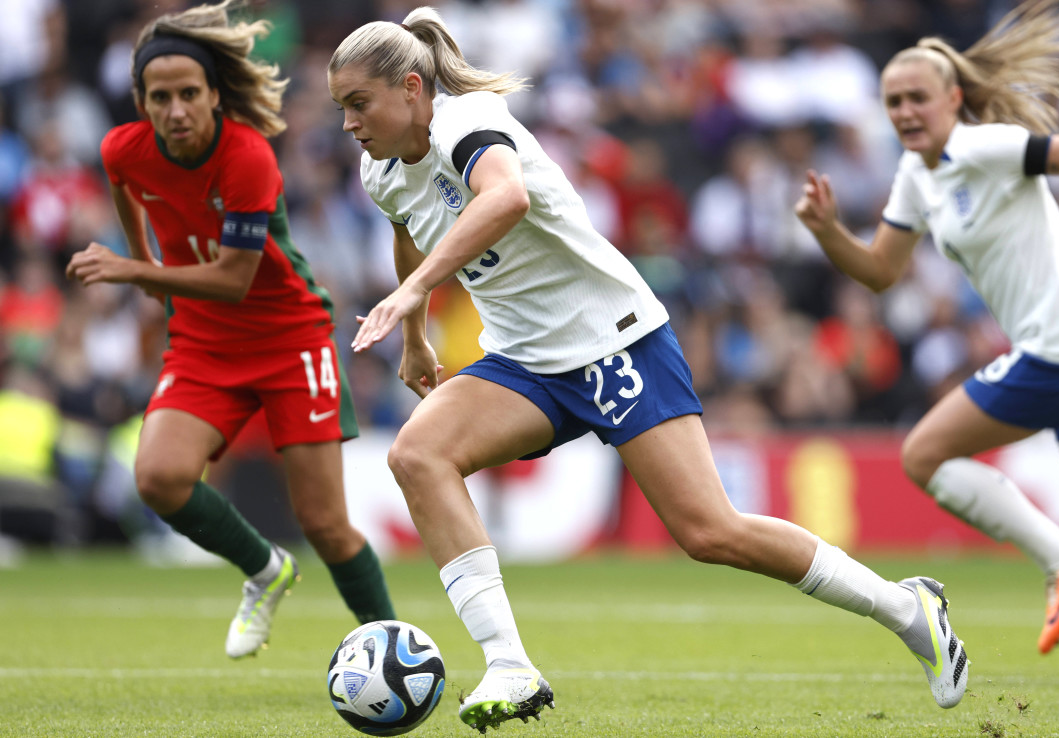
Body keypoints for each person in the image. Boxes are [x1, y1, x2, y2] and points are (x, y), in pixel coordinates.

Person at [327, 7, 970, 732]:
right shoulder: (379, 169)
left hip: (614, 342)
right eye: (341, 107)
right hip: (526, 361)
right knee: (418, 453)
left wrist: (413, 293)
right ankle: (509, 661)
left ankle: (904, 607)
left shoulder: (467, 119)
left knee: (709, 533)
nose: (349, 122)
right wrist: (415, 333)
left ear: (412, 89)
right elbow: (409, 234)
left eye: (359, 103)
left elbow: (504, 198)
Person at [795, 0, 1059, 657]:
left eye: (917, 98)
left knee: (923, 455)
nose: (903, 112)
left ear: (954, 97)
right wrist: (827, 231)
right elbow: (878, 271)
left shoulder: (982, 146)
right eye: (892, 101)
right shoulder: (914, 177)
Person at [65, 0, 394, 659]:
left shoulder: (248, 158)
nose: (175, 109)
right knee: (158, 478)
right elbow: (146, 238)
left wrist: (135, 270)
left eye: (190, 93)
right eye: (160, 97)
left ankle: (391, 646)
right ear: (141, 100)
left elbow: (233, 278)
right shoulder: (121, 150)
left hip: (288, 338)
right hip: (205, 343)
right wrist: (150, 277)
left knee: (325, 525)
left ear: (216, 95)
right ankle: (265, 570)